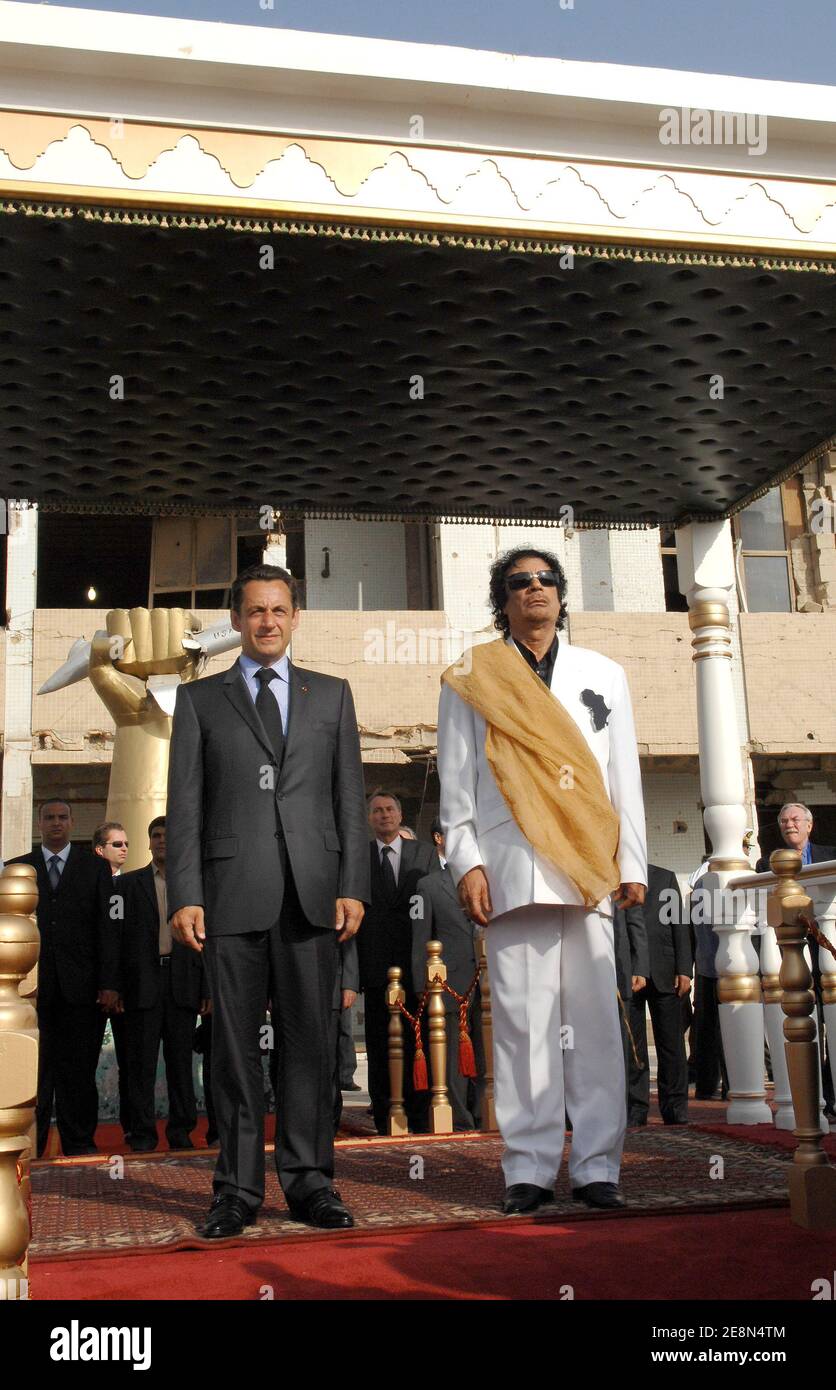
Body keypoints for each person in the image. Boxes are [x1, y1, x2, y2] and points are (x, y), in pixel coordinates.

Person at [437, 547, 647, 1214]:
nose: (535, 591)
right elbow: (457, 778)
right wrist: (465, 861)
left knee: (592, 1025)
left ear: (561, 594)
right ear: (502, 598)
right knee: (524, 1025)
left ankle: (596, 1168)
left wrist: (632, 864)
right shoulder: (473, 674)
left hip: (586, 865)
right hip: (508, 866)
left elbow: (622, 778)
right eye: (520, 582)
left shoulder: (603, 673)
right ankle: (526, 1168)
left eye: (546, 581)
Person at [166, 564, 369, 1237]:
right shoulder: (199, 701)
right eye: (255, 611)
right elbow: (185, 807)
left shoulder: (332, 697)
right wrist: (187, 893)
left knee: (310, 1046)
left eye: (279, 610)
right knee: (232, 1051)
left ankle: (312, 1182)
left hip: (314, 899)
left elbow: (349, 801)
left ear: (295, 616)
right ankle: (236, 1188)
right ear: (235, 619)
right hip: (229, 899)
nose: (268, 622)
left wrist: (353, 887)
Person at [9, 800, 120, 1156]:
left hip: (82, 990)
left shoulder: (95, 868)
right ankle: (31, 1146)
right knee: (34, 1074)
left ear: (72, 823)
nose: (56, 823)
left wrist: (109, 983)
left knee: (78, 1074)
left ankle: (79, 1145)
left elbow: (106, 929)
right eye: (49, 818)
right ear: (39, 822)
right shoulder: (17, 869)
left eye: (62, 818)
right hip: (31, 992)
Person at [115, 817, 208, 1152]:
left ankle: (181, 1132)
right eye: (156, 835)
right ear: (149, 842)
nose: (162, 841)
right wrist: (116, 986)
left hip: (183, 983)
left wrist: (207, 989)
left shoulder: (195, 887)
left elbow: (206, 940)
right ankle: (141, 1134)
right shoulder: (128, 886)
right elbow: (117, 941)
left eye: (169, 835)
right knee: (141, 1065)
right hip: (142, 984)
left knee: (181, 1064)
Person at [357, 792, 440, 1134]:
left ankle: (419, 1116)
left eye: (389, 809)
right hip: (376, 966)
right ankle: (384, 1116)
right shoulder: (359, 858)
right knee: (378, 1045)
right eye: (377, 811)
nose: (384, 815)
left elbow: (436, 908)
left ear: (400, 813)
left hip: (416, 966)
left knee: (416, 1041)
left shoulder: (424, 854)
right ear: (369, 818)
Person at [757, 804, 835, 1117]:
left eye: (796, 820)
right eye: (785, 821)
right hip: (792, 950)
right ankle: (811, 1097)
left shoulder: (830, 855)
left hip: (827, 948)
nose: (790, 825)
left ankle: (831, 1093)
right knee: (806, 1024)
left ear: (809, 826)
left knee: (832, 1022)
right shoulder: (768, 862)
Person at [412, 835, 486, 1130]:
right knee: (453, 1057)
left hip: (487, 979)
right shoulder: (428, 886)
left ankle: (483, 1112)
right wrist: (422, 986)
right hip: (449, 982)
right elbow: (421, 940)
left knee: (485, 1054)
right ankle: (459, 1118)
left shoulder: (487, 878)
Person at [626, 864, 692, 1125]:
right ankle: (636, 1108)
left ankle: (675, 1107)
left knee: (672, 1045)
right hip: (629, 972)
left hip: (666, 972)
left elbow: (679, 923)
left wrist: (684, 969)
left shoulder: (665, 877)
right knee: (634, 1047)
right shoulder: (615, 876)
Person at [93, 821, 131, 1142]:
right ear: (99, 850)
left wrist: (120, 986)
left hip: (130, 992)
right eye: (116, 844)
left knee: (132, 1065)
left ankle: (134, 1129)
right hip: (94, 992)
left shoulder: (133, 885)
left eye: (126, 844)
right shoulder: (87, 886)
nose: (123, 849)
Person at [613, 903, 648, 1119]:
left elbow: (636, 924)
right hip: (580, 974)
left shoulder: (621, 876)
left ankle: (621, 1108)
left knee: (621, 1046)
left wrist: (639, 968)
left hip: (619, 971)